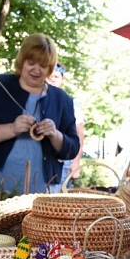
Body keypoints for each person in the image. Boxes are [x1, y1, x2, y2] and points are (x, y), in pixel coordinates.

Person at [0, 33, 79, 195]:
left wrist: (55, 134)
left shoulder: (63, 100)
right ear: (22, 61)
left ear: (50, 68)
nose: (36, 70)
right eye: (31, 62)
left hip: (38, 189)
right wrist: (12, 128)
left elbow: (72, 148)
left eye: (43, 65)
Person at [47, 62, 84, 191]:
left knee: (60, 198)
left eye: (56, 77)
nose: (52, 80)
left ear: (62, 79)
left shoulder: (71, 103)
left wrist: (76, 162)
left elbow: (79, 134)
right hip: (46, 157)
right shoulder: (40, 99)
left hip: (65, 158)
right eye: (50, 76)